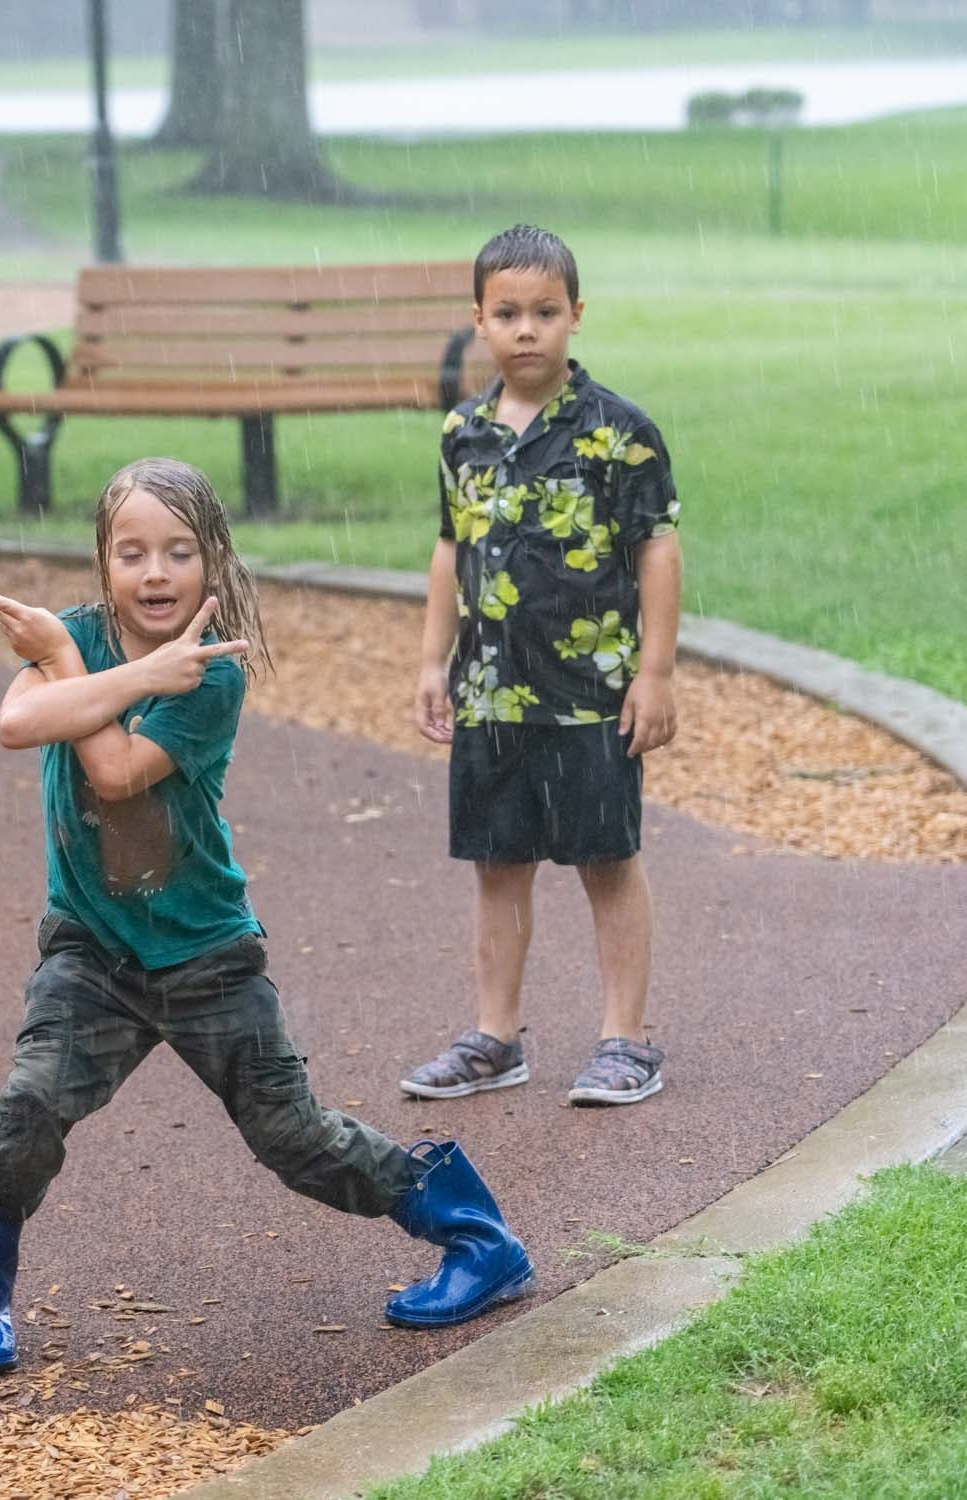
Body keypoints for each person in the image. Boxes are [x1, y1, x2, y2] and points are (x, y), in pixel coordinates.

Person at [0, 456, 531, 1376]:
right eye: (132, 553)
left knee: (294, 1137)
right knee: (27, 1110)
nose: (155, 573)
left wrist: (68, 669)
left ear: (213, 559)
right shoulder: (78, 634)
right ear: (103, 561)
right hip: (91, 951)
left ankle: (479, 1239)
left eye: (179, 552)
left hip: (206, 954)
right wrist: (74, 658)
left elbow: (115, 771)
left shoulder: (211, 672)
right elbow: (17, 725)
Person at [403, 224, 683, 1110]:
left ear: (576, 316)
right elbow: (450, 547)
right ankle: (495, 1037)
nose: (527, 330)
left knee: (608, 860)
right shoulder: (463, 432)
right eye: (508, 313)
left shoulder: (619, 434)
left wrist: (656, 673)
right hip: (491, 693)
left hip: (591, 695)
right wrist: (431, 662)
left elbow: (656, 549)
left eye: (546, 312)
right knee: (498, 862)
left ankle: (625, 1040)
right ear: (479, 320)